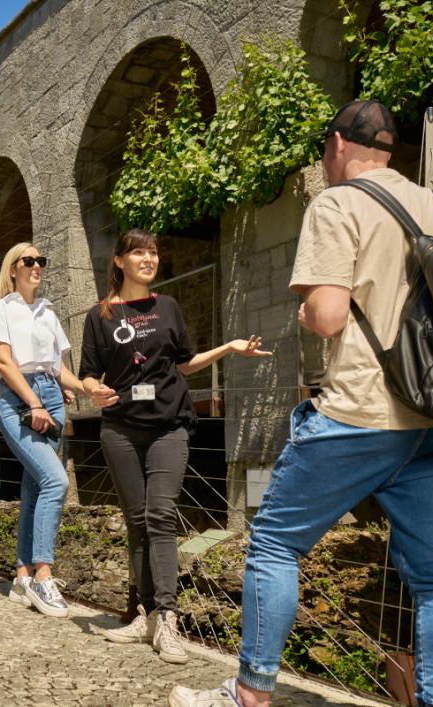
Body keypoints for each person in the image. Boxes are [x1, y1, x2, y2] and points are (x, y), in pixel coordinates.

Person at [170, 101, 433, 707]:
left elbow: (329, 316)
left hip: (360, 409)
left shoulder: (337, 203)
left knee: (275, 545)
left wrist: (307, 311)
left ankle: (250, 694)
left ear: (337, 144)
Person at [80, 228, 271, 665]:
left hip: (170, 425)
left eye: (153, 252)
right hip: (120, 429)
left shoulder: (167, 307)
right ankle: (144, 614)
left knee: (159, 514)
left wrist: (228, 348)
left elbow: (185, 362)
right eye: (139, 252)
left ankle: (168, 617)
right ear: (120, 261)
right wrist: (93, 390)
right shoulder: (100, 315)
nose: (149, 258)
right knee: (136, 522)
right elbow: (89, 371)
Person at [0, 242, 85, 619]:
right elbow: (4, 362)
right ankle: (43, 572)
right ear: (13, 269)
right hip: (18, 397)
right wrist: (34, 403)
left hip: (51, 395)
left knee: (36, 486)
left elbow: (57, 368)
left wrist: (87, 387)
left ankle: (21, 576)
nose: (37, 266)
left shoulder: (48, 311)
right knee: (57, 482)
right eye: (29, 261)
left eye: (41, 261)